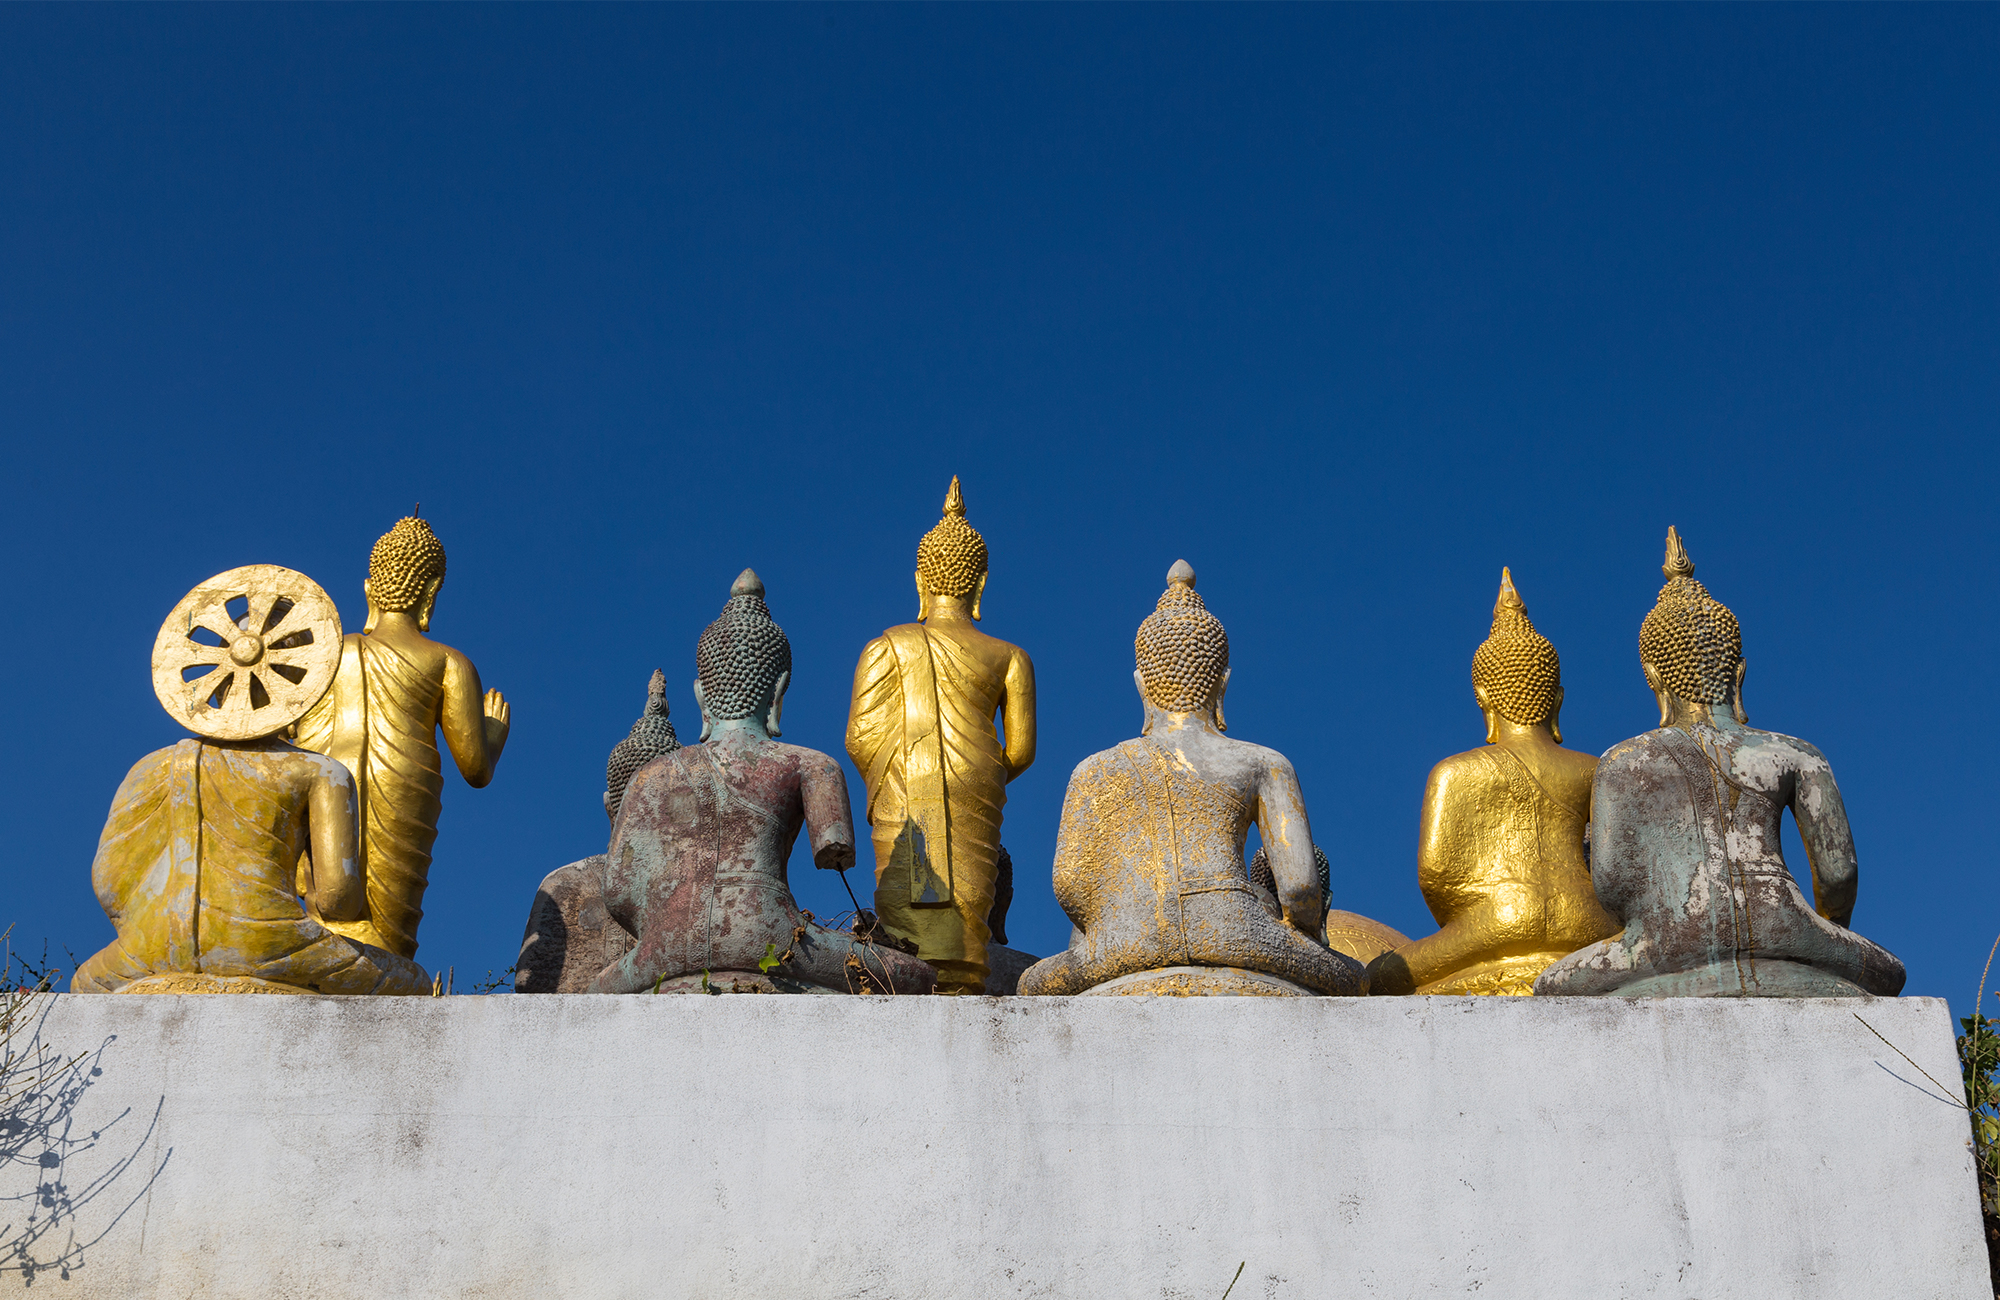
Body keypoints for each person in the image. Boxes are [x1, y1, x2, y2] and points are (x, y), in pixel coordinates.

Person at [1534, 530, 1905, 998]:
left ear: (1653, 677)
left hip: (1665, 940)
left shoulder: (1622, 762)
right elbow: (1838, 874)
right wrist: (1828, 928)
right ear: (1739, 672)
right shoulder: (1796, 753)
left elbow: (1613, 887)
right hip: (1787, 928)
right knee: (1890, 972)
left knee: (1552, 987)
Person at [1019, 562, 1363, 997]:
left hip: (1124, 941)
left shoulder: (1092, 770)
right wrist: (1306, 934)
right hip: (1234, 930)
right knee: (1355, 979)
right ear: (1222, 684)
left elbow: (1070, 887)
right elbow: (1299, 889)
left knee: (1033, 984)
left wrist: (1120, 922)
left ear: (1142, 686)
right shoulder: (1263, 762)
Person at [592, 571, 936, 995]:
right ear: (779, 691)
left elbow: (618, 891)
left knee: (594, 992)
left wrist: (672, 921)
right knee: (915, 977)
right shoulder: (811, 765)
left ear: (701, 696)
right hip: (765, 933)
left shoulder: (647, 777)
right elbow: (834, 852)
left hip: (662, 951)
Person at [847, 477, 1035, 995]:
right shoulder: (1011, 657)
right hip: (978, 783)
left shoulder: (884, 646)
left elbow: (860, 738)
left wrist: (913, 763)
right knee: (970, 910)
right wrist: (974, 769)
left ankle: (908, 977)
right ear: (980, 584)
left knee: (910, 920)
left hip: (904, 787)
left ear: (920, 582)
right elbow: (1020, 750)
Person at [293, 513, 510, 958]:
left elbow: (287, 726)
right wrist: (493, 733)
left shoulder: (327, 655)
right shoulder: (449, 662)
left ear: (370, 590)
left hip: (320, 781)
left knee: (322, 906)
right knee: (387, 938)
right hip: (402, 787)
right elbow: (475, 768)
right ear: (431, 593)